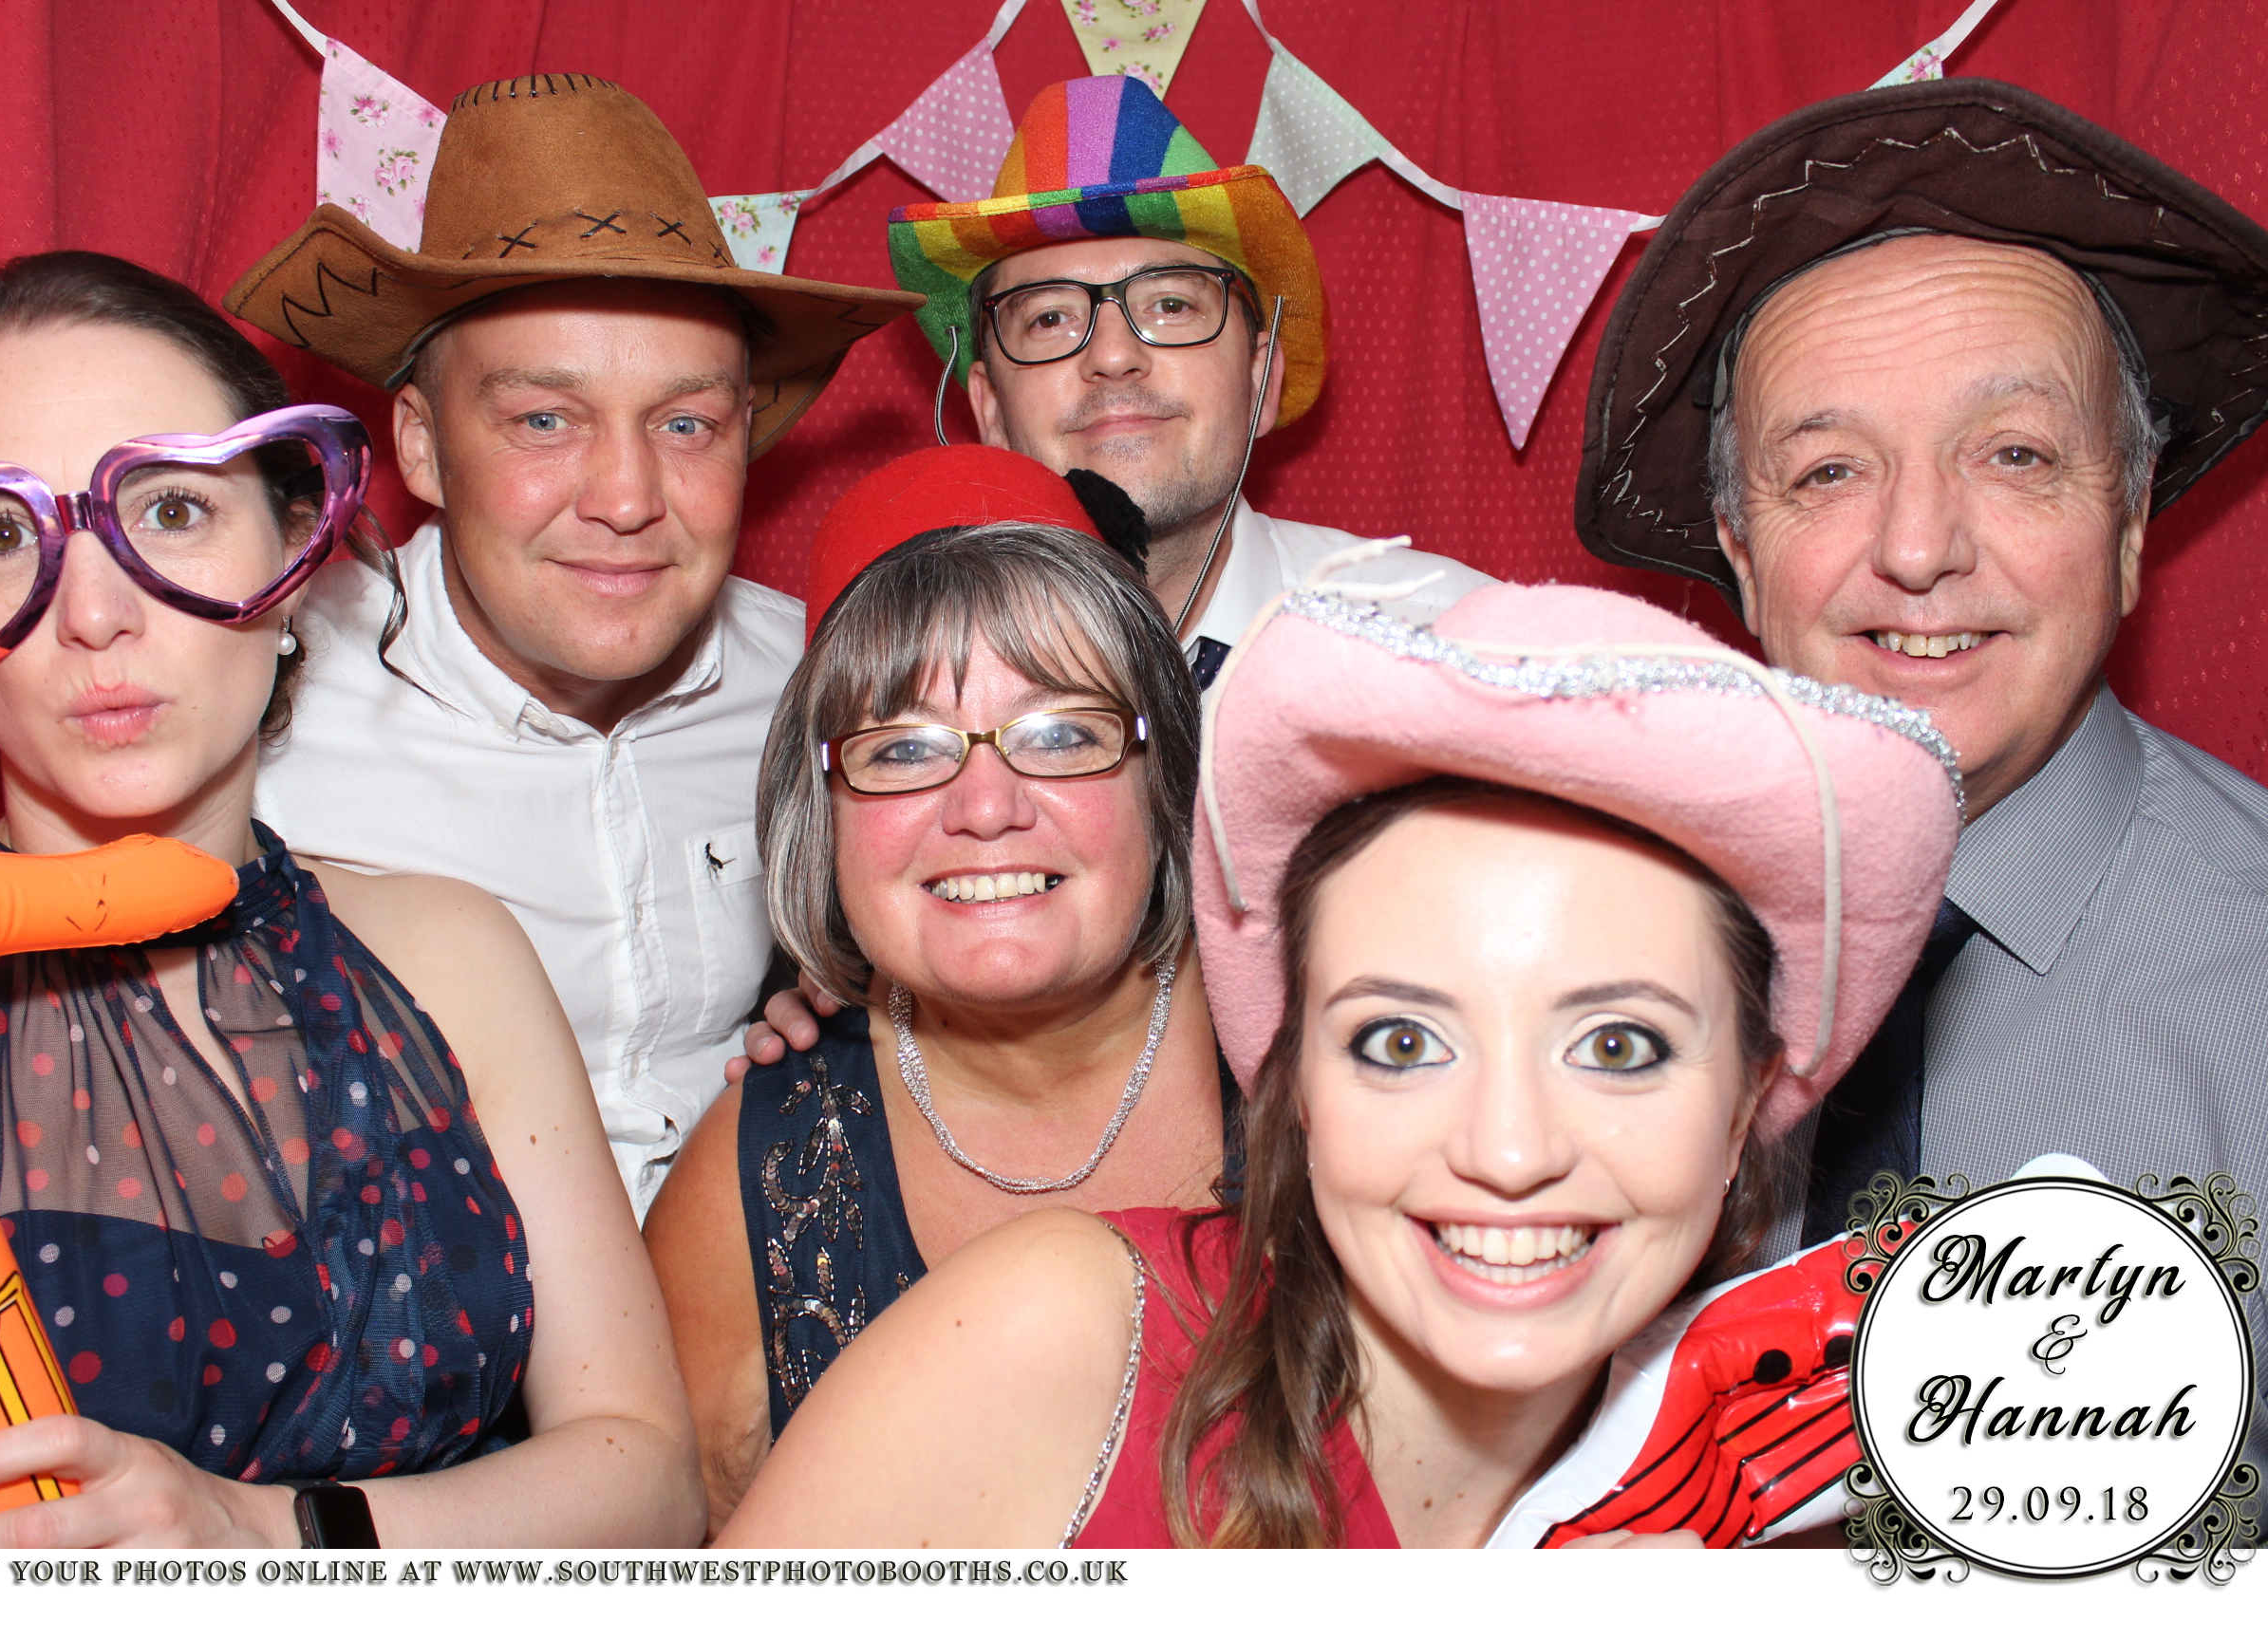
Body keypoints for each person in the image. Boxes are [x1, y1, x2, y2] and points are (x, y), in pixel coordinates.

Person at [716, 574, 1961, 1548]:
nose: (1509, 1151)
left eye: (1618, 1045)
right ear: (1296, 1083)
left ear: (1748, 1101)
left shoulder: (1801, 1510)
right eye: (1403, 1041)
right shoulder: (1061, 1343)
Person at [0, 251, 700, 1549]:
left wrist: (267, 1537)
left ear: (294, 550)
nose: (94, 612)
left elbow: (645, 1481)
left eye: (174, 512)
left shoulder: (448, 952)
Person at [1572, 79, 2268, 1539]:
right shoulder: (1565, 936)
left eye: (2016, 454)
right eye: (1830, 470)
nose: (1917, 547)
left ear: (2129, 520)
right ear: (1739, 548)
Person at [224, 74, 924, 1213]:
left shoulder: (825, 685)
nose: (627, 496)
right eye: (545, 420)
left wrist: (855, 1007)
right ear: (422, 443)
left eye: (685, 423)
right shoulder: (261, 697)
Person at [645, 453, 1224, 1533]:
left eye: (1063, 734)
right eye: (905, 748)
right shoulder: (756, 1182)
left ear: (1164, 774)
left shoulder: (1322, 1068)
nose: (986, 806)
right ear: (820, 817)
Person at [890, 73, 1490, 686]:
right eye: (1050, 318)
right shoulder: (889, 681)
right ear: (988, 409)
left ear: (1260, 379)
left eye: (1171, 306)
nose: (1114, 355)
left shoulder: (1461, 654)